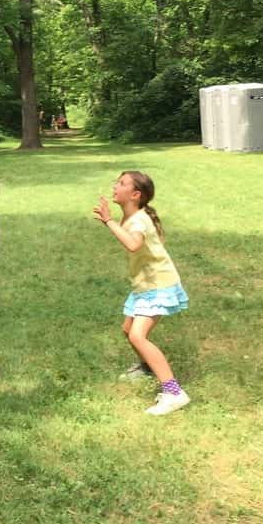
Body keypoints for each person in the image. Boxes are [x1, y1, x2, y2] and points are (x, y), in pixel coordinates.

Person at [93, 171, 190, 416]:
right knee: (128, 329)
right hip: (145, 286)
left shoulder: (138, 220)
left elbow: (134, 244)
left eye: (122, 183)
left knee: (138, 336)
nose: (116, 185)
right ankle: (148, 367)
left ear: (135, 195)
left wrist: (108, 221)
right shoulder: (134, 215)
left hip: (158, 286)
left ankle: (174, 392)